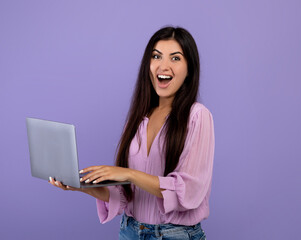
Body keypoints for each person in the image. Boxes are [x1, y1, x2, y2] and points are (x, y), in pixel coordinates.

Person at [49, 26, 215, 240]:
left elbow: (189, 191)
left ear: (189, 68)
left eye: (175, 58)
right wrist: (79, 186)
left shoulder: (197, 116)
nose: (163, 66)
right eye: (156, 56)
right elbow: (125, 196)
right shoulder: (138, 118)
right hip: (130, 231)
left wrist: (128, 174)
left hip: (175, 235)